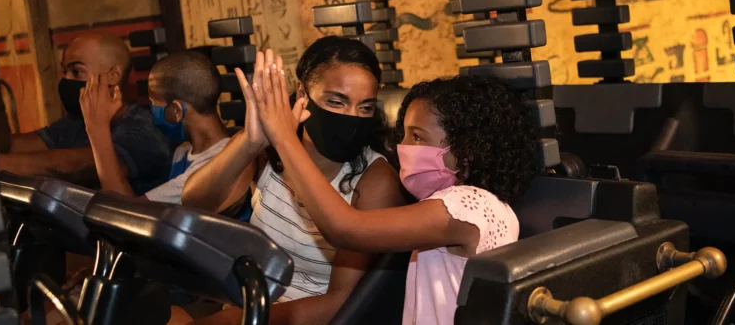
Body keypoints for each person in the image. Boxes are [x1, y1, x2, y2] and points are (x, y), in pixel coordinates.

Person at [247, 61, 541, 325]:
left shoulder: (468, 205)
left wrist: (285, 138)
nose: (403, 148)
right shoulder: (474, 205)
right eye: (404, 135)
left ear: (468, 149)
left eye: (417, 136)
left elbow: (345, 229)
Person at [180, 37, 405, 324]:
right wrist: (250, 142)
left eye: (365, 108)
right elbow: (196, 202)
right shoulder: (268, 147)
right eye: (336, 102)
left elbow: (339, 303)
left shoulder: (374, 179)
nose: (351, 118)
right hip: (247, 301)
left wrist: (246, 318)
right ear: (302, 93)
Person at [0, 33, 171, 194]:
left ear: (113, 76)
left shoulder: (143, 131)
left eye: (76, 72)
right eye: (64, 72)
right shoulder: (76, 122)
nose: (66, 80)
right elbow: (13, 144)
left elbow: (66, 167)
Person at [88, 50, 231, 203]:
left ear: (176, 110)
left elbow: (129, 214)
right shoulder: (184, 150)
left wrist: (96, 127)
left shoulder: (215, 164)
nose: (151, 109)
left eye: (154, 102)